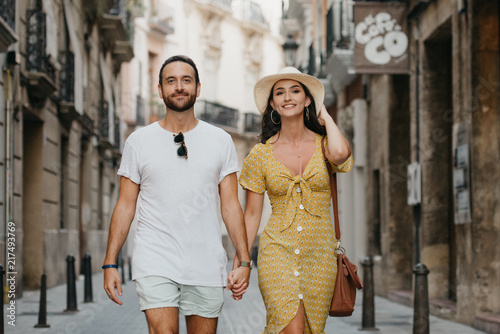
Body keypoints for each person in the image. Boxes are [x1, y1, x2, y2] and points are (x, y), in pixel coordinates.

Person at [103, 55, 251, 334]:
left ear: (198, 87)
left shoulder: (220, 140)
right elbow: (125, 206)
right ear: (160, 90)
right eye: (171, 81)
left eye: (186, 80)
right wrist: (110, 262)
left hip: (206, 261)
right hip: (154, 259)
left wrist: (244, 260)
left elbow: (231, 205)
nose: (179, 87)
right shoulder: (138, 142)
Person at [236, 67, 353, 334]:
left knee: (312, 330)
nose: (288, 97)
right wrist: (242, 261)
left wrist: (325, 116)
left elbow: (341, 154)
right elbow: (252, 214)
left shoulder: (325, 145)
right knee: (291, 330)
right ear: (273, 104)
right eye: (280, 92)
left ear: (308, 99)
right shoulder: (260, 155)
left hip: (320, 255)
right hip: (277, 251)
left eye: (295, 90)